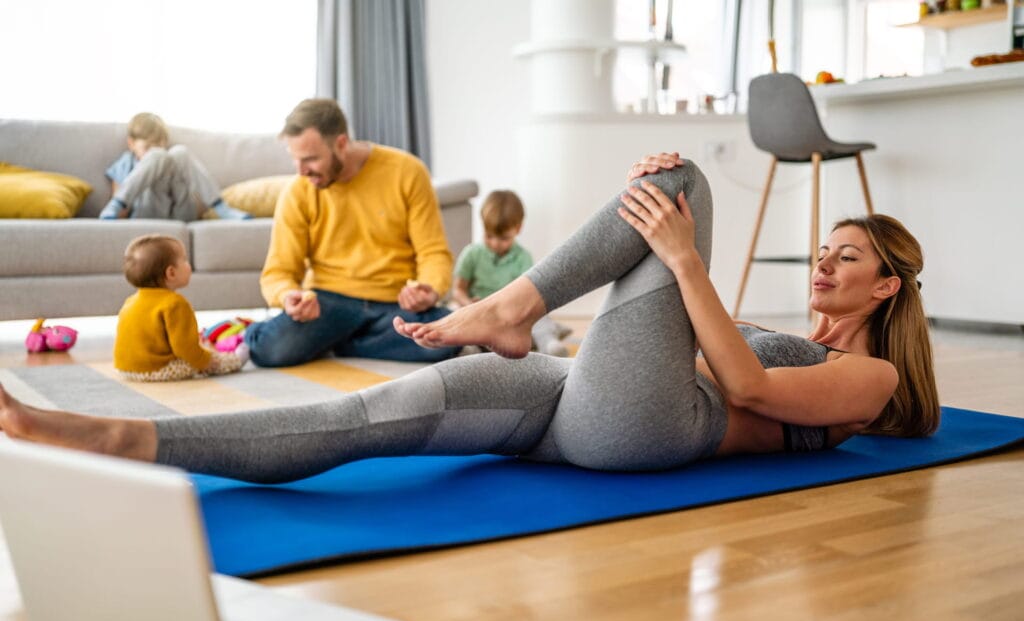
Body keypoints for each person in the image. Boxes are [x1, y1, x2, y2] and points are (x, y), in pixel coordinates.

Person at [0, 155, 940, 482]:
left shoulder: (876, 379)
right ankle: (101, 433)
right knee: (358, 420)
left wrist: (684, 256)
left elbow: (743, 384)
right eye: (824, 249)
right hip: (575, 401)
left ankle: (510, 307)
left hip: (651, 428)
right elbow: (693, 338)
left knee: (678, 184)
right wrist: (677, 273)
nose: (823, 261)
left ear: (886, 289)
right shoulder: (794, 321)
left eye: (845, 256)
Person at [242, 98, 459, 367]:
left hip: (394, 303)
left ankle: (338, 342)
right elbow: (278, 272)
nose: (301, 170)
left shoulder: (408, 172)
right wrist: (288, 296)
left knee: (447, 341)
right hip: (328, 304)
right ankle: (348, 339)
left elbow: (433, 252)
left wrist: (429, 289)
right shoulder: (298, 192)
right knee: (269, 350)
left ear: (341, 144)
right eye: (296, 159)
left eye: (310, 159)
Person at [113, 234, 248, 382]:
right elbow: (184, 348)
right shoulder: (175, 304)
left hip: (125, 368)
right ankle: (236, 360)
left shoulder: (130, 301)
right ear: (171, 273)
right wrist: (207, 362)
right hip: (157, 369)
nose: (188, 264)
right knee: (207, 360)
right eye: (184, 260)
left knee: (201, 351)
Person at [452, 190, 569, 357]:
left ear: (518, 228)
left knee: (539, 318)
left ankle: (549, 343)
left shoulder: (523, 258)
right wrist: (469, 304)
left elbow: (528, 296)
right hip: (478, 315)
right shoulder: (471, 254)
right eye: (489, 236)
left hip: (511, 317)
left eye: (504, 238)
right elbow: (458, 290)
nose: (495, 243)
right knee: (454, 314)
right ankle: (469, 348)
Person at [100, 112, 250, 221]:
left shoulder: (172, 159)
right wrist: (118, 206)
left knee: (180, 152)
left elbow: (196, 203)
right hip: (147, 213)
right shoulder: (126, 163)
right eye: (147, 147)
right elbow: (121, 215)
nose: (155, 149)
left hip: (180, 214)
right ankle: (116, 203)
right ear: (131, 144)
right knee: (157, 156)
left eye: (159, 145)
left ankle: (221, 208)